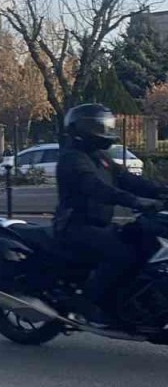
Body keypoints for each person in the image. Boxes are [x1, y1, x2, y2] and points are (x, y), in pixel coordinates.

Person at [54, 104, 165, 326]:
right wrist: (135, 201)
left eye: (104, 126)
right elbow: (94, 187)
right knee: (122, 252)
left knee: (143, 242)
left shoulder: (100, 157)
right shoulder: (72, 158)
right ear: (80, 129)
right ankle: (89, 303)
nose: (103, 131)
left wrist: (161, 191)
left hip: (99, 224)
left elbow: (129, 180)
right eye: (97, 126)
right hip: (75, 226)